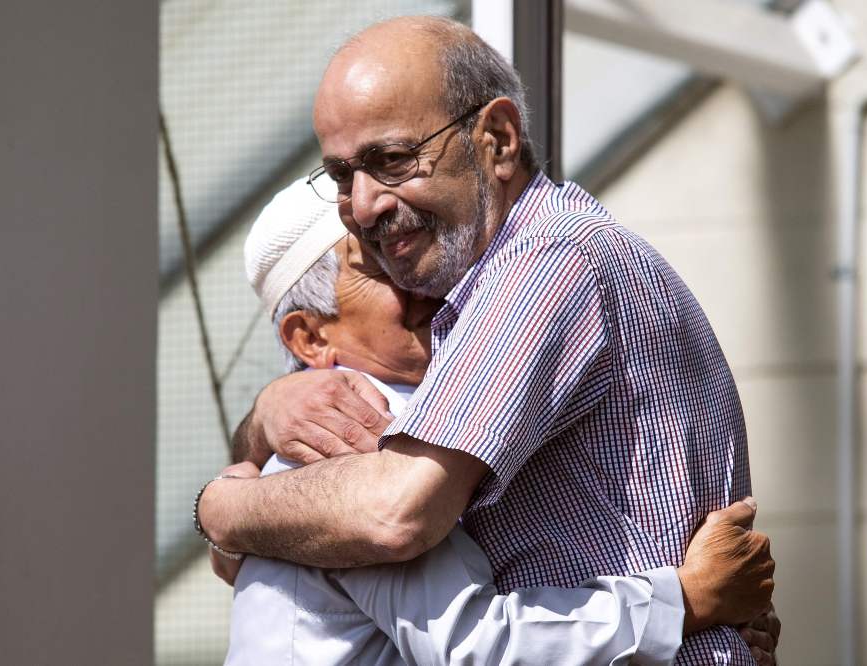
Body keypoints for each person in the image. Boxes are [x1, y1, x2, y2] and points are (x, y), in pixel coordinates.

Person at [198, 16, 774, 664]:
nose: (365, 205)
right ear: (308, 337)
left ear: (497, 139)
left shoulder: (541, 265)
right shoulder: (360, 421)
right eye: (341, 177)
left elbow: (396, 516)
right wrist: (690, 603)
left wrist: (223, 505)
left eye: (391, 160)